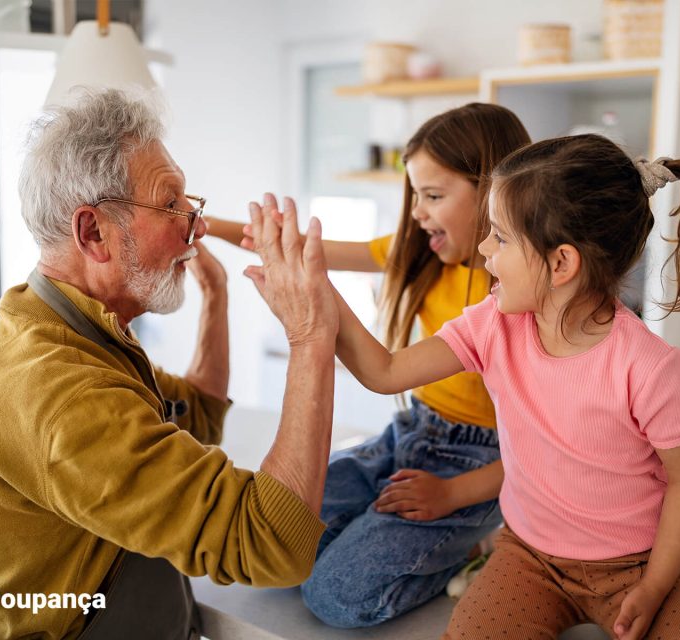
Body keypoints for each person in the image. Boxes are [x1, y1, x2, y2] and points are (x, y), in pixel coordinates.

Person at [254, 134, 680, 639]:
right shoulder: (493, 325)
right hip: (528, 559)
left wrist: (657, 584)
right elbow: (385, 372)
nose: (484, 249)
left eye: (501, 238)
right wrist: (316, 288)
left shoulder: (648, 366)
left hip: (636, 565)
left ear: (560, 264)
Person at [0, 88, 338, 640]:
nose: (196, 226)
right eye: (170, 203)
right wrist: (311, 336)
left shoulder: (68, 329)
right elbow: (270, 542)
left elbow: (196, 415)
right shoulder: (62, 392)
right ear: (93, 233)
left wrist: (217, 298)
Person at [211, 103, 531, 627]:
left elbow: (542, 448)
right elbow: (305, 249)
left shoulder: (519, 301)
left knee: (333, 596)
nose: (417, 213)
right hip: (406, 436)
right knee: (272, 547)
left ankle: (476, 548)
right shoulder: (423, 253)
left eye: (432, 196)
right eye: (414, 196)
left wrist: (452, 494)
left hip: (480, 469)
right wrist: (201, 225)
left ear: (497, 194)